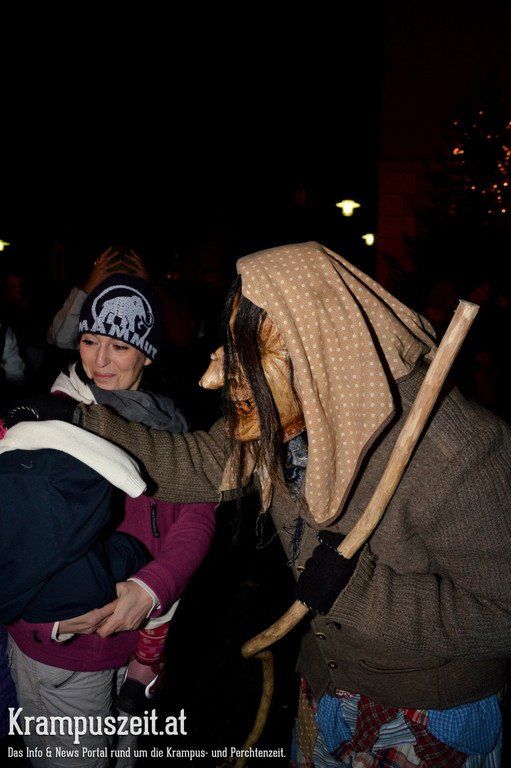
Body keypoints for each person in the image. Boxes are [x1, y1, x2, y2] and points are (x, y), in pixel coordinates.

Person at [6, 242, 511, 767]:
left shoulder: (459, 453)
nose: (213, 379)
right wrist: (78, 423)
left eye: (247, 356)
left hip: (428, 717)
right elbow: (202, 463)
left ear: (317, 348)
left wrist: (359, 594)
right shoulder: (290, 413)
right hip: (325, 688)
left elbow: (503, 613)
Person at [3, 273, 216, 768]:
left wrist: (153, 586)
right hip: (67, 658)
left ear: (148, 354)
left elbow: (198, 512)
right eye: (89, 341)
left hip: (140, 645)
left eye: (119, 346)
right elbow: (12, 545)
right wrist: (49, 622)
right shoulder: (47, 422)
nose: (99, 361)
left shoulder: (167, 421)